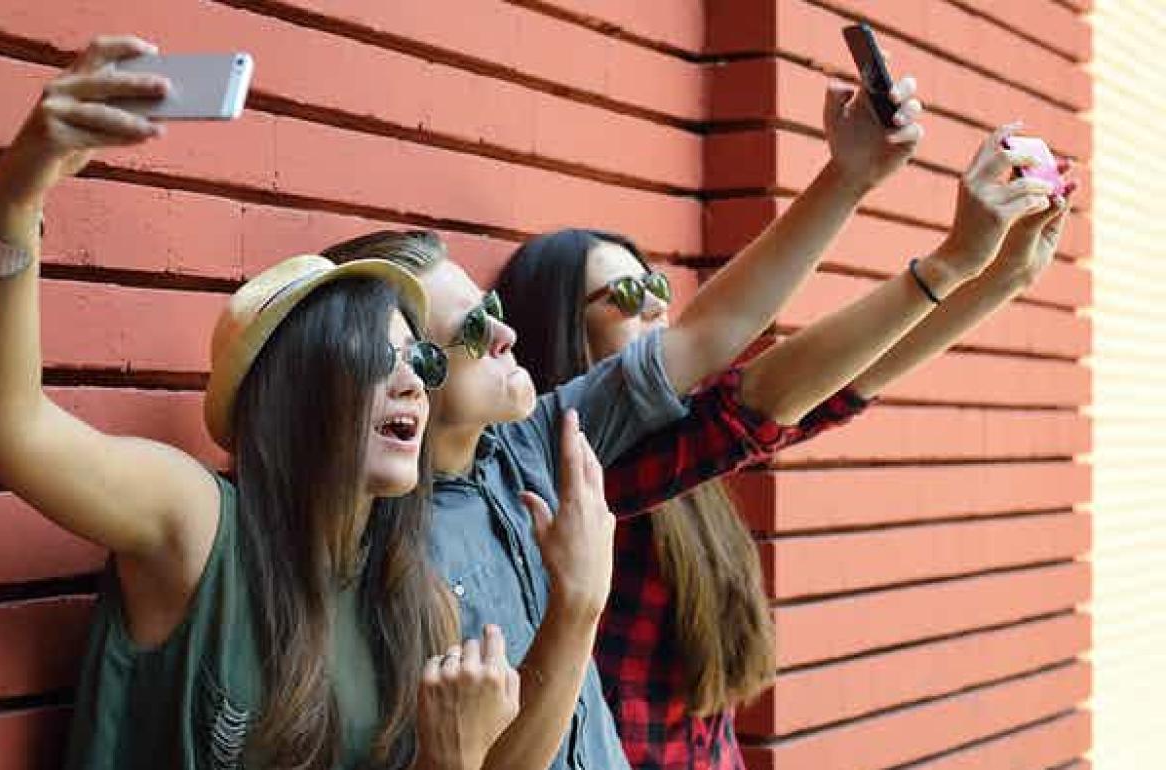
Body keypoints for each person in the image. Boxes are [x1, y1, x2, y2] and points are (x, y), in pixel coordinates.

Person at [318, 72, 937, 770]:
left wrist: (848, 180)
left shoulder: (532, 443)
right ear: (407, 369)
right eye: (471, 330)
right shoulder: (382, 550)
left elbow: (712, 331)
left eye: (492, 312)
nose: (503, 334)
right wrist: (579, 599)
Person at [0, 35, 525, 770]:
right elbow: (1, 424)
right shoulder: (198, 527)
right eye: (374, 360)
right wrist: (16, 197)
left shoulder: (418, 606)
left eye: (420, 359)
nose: (413, 382)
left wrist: (458, 756)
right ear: (298, 392)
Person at [494, 122, 1075, 769]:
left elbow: (847, 383)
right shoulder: (573, 473)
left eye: (656, 286)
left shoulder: (676, 463)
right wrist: (953, 263)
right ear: (557, 331)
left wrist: (1002, 278)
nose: (656, 307)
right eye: (625, 296)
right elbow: (760, 400)